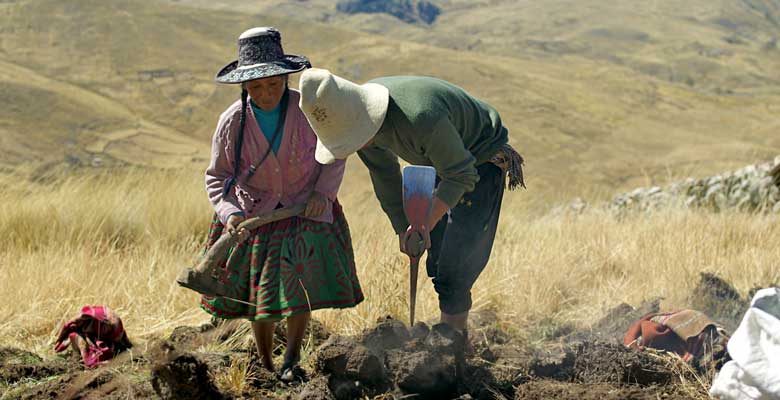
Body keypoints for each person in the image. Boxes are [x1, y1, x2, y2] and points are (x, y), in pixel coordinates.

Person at [298, 68, 523, 342]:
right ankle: (448, 337)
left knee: (456, 265)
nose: (357, 144)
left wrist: (424, 223)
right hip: (442, 160)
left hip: (479, 160)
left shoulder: (420, 118)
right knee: (436, 258)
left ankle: (454, 345)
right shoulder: (356, 117)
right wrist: (405, 228)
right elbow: (384, 175)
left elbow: (462, 173)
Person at [201, 29, 363, 381]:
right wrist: (230, 213)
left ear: (286, 78)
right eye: (256, 87)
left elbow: (335, 152)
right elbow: (217, 177)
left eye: (273, 84)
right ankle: (266, 364)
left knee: (298, 292)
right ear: (244, 87)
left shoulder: (310, 111)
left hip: (306, 209)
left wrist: (323, 194)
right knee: (261, 302)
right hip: (255, 217)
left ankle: (291, 359)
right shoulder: (232, 121)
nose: (266, 93)